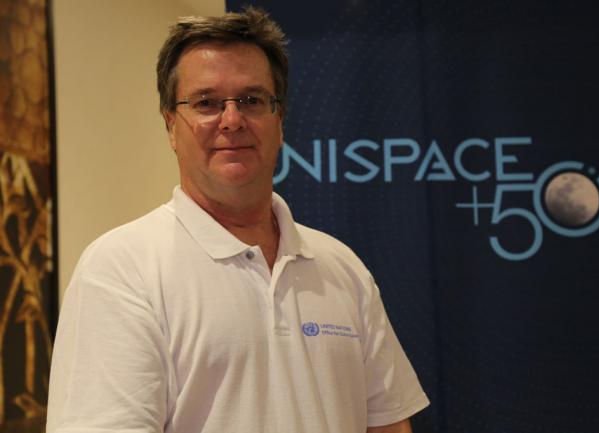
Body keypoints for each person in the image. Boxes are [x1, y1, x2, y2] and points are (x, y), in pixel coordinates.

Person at [46, 7, 429, 433]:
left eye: (251, 100)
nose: (232, 120)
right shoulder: (121, 270)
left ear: (279, 121)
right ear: (171, 126)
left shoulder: (342, 268)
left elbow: (388, 425)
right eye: (206, 103)